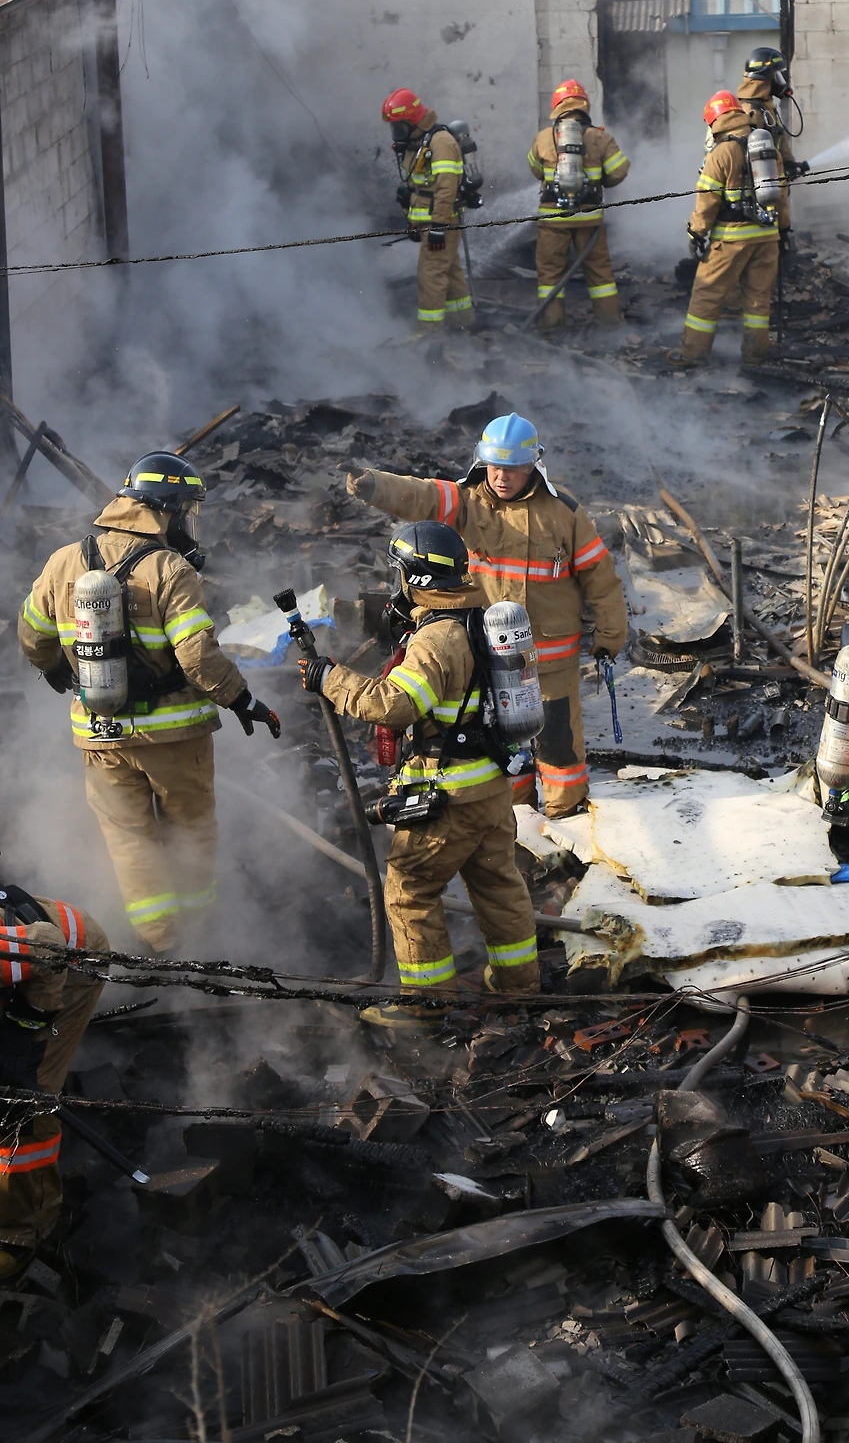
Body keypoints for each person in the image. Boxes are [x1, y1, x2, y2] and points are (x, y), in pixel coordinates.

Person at [18, 454, 280, 953]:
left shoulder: (63, 561)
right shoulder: (168, 568)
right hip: (174, 736)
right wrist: (243, 701)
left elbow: (32, 635)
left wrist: (54, 667)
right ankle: (201, 934)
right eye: (185, 510)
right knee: (191, 832)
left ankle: (161, 943)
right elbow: (198, 657)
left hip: (99, 731)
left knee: (129, 840)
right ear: (166, 510)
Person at [299, 522, 539, 1026]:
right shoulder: (478, 621)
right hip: (492, 789)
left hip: (447, 796)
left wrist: (330, 677)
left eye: (400, 574)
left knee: (409, 890)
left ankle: (428, 1006)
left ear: (414, 578)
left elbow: (396, 705)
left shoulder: (437, 638)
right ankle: (520, 988)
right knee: (499, 885)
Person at [347, 412, 627, 819]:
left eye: (512, 469)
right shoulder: (465, 502)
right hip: (486, 660)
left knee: (559, 747)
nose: (501, 477)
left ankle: (567, 820)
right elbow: (420, 495)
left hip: (549, 661)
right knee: (499, 743)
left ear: (533, 465)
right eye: (494, 467)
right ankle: (514, 827)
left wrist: (610, 638)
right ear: (483, 463)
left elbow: (601, 579)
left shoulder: (564, 513)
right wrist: (372, 484)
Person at [0, 883, 107, 1279]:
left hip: (71, 963)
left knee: (23, 1103)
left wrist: (22, 1032)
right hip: (28, 965)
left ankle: (21, 1231)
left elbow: (48, 947)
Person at [670, 90, 790, 369]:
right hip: (766, 237)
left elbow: (707, 201)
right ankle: (754, 358)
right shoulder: (768, 147)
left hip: (730, 239)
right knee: (758, 301)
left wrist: (696, 233)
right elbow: (782, 194)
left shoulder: (721, 152)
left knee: (707, 296)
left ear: (714, 121)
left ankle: (692, 356)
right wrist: (783, 229)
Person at [527, 79, 630, 329]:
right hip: (589, 218)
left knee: (551, 274)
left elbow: (536, 170)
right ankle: (610, 326)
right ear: (583, 105)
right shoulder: (599, 137)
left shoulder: (542, 137)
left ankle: (551, 326)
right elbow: (619, 171)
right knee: (600, 274)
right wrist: (598, 182)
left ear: (557, 107)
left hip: (553, 219)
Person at [381, 87, 472, 334]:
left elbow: (446, 187)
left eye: (399, 126)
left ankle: (428, 334)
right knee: (450, 271)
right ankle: (462, 324)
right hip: (430, 222)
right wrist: (413, 222)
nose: (396, 133)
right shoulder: (416, 142)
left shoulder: (440, 142)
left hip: (443, 222)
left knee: (430, 275)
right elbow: (420, 189)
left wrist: (439, 227)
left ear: (413, 121)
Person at [737, 46, 801, 180]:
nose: (780, 83)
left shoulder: (766, 107)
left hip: (776, 181)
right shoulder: (750, 111)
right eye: (775, 77)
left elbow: (778, 138)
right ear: (763, 81)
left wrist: (788, 163)